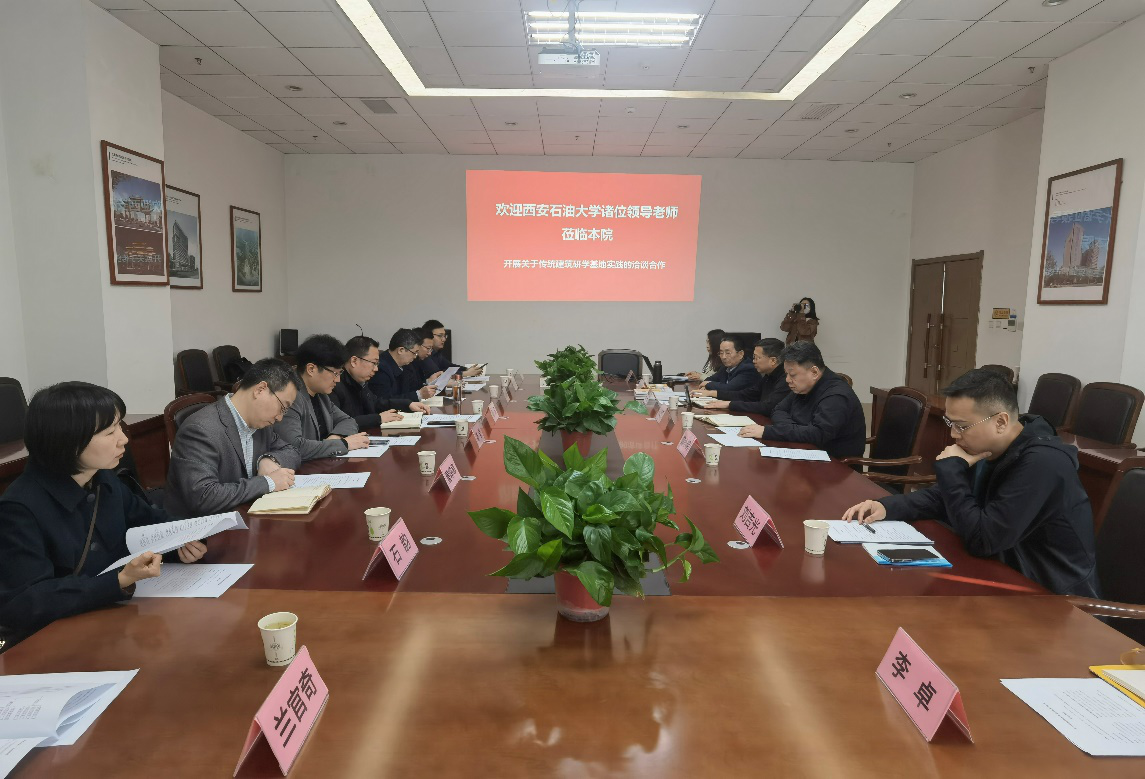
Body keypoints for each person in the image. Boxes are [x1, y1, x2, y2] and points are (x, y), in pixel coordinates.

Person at [841, 369, 1100, 597]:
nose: (953, 435)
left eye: (962, 426)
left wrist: (952, 469)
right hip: (1002, 573)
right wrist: (887, 507)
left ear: (1001, 422)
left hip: (1052, 596)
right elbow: (942, 497)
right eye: (950, 423)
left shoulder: (1042, 463)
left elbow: (983, 540)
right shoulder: (993, 447)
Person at [0, 383, 208, 647]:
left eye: (120, 426)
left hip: (116, 624)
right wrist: (119, 581)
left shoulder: (103, 479)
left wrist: (182, 544)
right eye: (110, 432)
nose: (124, 439)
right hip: (60, 642)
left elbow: (148, 523)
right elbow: (25, 602)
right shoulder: (19, 508)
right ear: (69, 441)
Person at [166, 358, 302, 518]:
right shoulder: (200, 429)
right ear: (260, 390)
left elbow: (292, 451)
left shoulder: (261, 423)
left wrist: (268, 459)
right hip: (204, 526)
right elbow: (204, 497)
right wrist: (268, 482)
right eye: (283, 407)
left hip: (246, 515)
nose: (280, 417)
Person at [739, 341, 865, 459]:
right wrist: (794, 429)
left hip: (835, 465)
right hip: (805, 452)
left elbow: (817, 434)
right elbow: (778, 410)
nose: (787, 380)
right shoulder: (804, 386)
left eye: (792, 375)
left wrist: (769, 431)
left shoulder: (836, 396)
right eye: (786, 374)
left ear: (814, 372)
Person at [274, 334, 370, 461]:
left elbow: (348, 421)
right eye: (335, 373)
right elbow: (294, 446)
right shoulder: (290, 397)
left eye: (340, 373)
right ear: (311, 369)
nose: (338, 380)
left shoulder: (321, 395)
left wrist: (335, 437)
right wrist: (342, 444)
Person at [331, 335, 429, 428]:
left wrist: (408, 404)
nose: (376, 369)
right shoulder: (334, 384)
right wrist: (378, 418)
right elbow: (340, 423)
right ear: (354, 361)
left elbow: (377, 403)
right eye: (373, 363)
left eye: (377, 364)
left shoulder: (360, 381)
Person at [697, 338, 790, 416]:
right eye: (753, 357)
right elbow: (747, 394)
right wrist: (713, 394)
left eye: (756, 358)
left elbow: (767, 407)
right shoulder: (768, 376)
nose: (753, 361)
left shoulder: (786, 379)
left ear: (773, 361)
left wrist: (729, 404)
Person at [369, 328, 437, 405]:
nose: (415, 357)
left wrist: (426, 386)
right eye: (414, 353)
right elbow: (384, 402)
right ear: (401, 350)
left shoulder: (405, 365)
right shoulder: (381, 369)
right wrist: (419, 395)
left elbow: (411, 389)